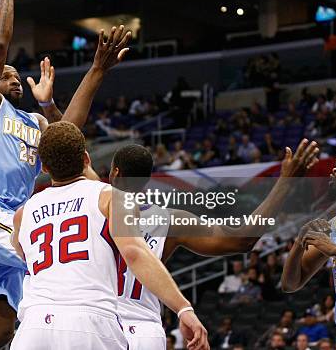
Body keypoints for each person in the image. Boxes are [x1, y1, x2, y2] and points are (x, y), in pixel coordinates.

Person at [0, 0, 132, 350]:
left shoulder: (34, 121)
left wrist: (92, 73)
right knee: (55, 268)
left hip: (17, 219)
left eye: (17, 75)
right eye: (5, 75)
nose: (13, 77)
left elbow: (68, 136)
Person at [99, 139, 318, 350]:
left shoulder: (89, 205)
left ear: (115, 173)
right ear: (147, 179)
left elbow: (69, 143)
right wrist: (285, 182)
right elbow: (243, 239)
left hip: (98, 323)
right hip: (144, 329)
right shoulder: (171, 219)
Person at [10, 122, 209, 350]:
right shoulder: (111, 198)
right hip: (88, 322)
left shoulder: (23, 213)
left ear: (44, 167)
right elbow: (134, 253)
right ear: (86, 159)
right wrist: (183, 308)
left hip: (32, 328)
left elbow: (21, 251)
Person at [282, 152, 336, 350]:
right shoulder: (331, 228)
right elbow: (290, 284)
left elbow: (335, 250)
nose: (334, 169)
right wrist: (299, 243)